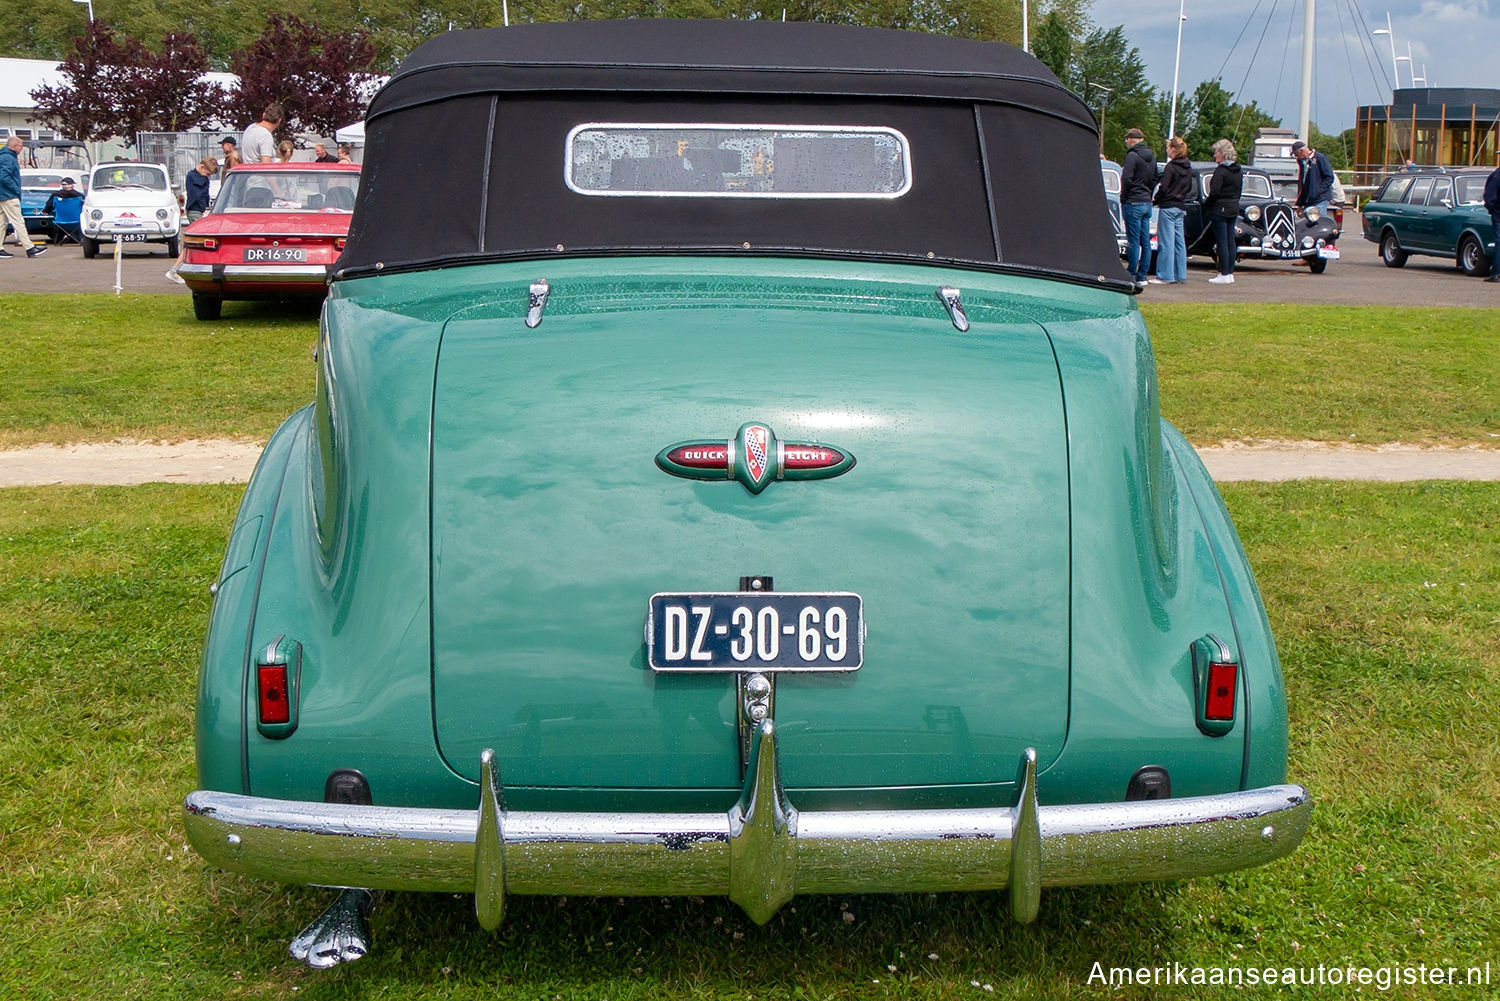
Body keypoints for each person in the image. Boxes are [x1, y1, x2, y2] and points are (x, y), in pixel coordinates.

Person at [1150, 136, 1192, 285]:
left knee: (1166, 241)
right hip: (1180, 206)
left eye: (1168, 147)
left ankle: (1165, 275)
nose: (1167, 149)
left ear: (1173, 149)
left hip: (1168, 206)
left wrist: (1157, 199)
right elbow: (1188, 187)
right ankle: (1181, 274)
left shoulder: (1171, 167)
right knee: (1179, 242)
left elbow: (1164, 187)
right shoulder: (1188, 167)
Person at [1120, 127, 1157, 284]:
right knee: (1145, 241)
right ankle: (1143, 275)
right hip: (1146, 200)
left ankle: (1132, 273)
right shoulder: (1152, 157)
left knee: (1133, 240)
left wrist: (1124, 196)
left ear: (1130, 140)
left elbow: (1126, 178)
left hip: (1133, 200)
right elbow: (1155, 177)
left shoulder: (1132, 156)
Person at [1203, 138, 1242, 285]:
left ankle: (1224, 272)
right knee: (1230, 240)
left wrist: (1208, 205)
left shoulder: (1221, 171)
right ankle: (1230, 272)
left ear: (1222, 154)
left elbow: (1215, 191)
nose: (1215, 156)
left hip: (1220, 208)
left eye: (1216, 152)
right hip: (1233, 206)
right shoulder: (1238, 170)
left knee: (1222, 241)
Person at [0, 136, 45, 258]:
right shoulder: (8, 158)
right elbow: (4, 177)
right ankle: (30, 248)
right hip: (8, 195)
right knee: (18, 221)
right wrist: (15, 189)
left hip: (2, 194)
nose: (21, 148)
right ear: (15, 146)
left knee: (2, 222)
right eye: (21, 145)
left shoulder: (4, 156)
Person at [1292, 140, 1334, 216]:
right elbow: (1303, 184)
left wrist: (1318, 190)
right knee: (1307, 224)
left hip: (1319, 200)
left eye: (1296, 154)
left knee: (1318, 223)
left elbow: (1329, 177)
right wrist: (1300, 204)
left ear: (1301, 151)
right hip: (1308, 201)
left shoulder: (1320, 158)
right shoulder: (1302, 163)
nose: (1296, 157)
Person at [43, 176, 84, 243]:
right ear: (72, 185)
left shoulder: (55, 195)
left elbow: (49, 207)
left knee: (57, 225)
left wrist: (45, 211)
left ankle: (58, 240)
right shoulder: (80, 196)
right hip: (77, 221)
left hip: (60, 221)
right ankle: (77, 239)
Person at [184, 156, 217, 221]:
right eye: (208, 174)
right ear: (202, 167)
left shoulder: (201, 177)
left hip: (200, 209)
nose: (207, 176)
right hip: (194, 209)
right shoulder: (192, 176)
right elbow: (198, 194)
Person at [1485, 162, 1500, 283]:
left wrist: (1491, 208)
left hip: (1498, 212)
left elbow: (1490, 197)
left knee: (1499, 241)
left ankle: (1496, 272)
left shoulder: (1496, 176)